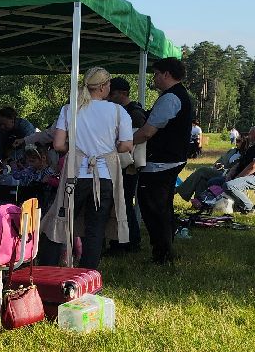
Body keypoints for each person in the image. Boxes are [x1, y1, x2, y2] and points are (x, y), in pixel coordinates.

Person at [44, 67, 133, 269]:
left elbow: (58, 145)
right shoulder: (118, 112)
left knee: (62, 221)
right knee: (96, 228)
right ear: (102, 87)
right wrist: (110, 148)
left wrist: (74, 149)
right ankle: (86, 274)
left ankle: (48, 268)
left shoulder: (69, 109)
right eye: (109, 84)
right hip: (104, 176)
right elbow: (126, 145)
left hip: (75, 175)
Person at [131, 57, 195, 266]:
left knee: (154, 209)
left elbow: (148, 132)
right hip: (171, 160)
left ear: (166, 74)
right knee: (163, 208)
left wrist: (124, 143)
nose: (155, 78)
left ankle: (161, 254)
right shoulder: (180, 96)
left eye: (157, 74)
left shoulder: (170, 98)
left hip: (161, 162)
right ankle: (165, 251)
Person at [106, 77, 148, 255]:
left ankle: (128, 242)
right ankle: (123, 241)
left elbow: (136, 142)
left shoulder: (134, 113)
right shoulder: (127, 111)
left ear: (122, 94)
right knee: (120, 203)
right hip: (124, 164)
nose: (108, 98)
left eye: (112, 94)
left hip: (128, 165)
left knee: (123, 203)